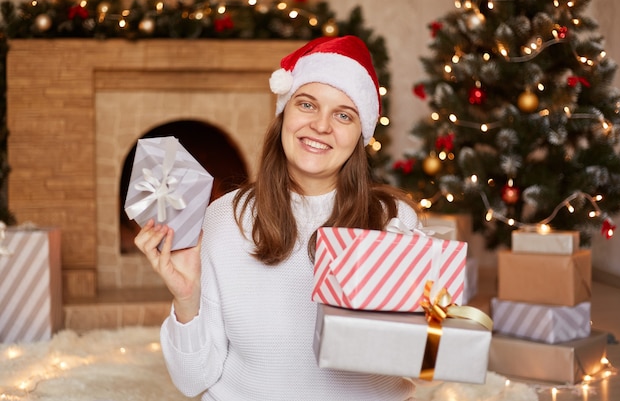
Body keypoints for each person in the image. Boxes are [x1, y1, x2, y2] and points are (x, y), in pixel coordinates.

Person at [134, 35, 423, 400]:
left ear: (360, 135)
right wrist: (187, 298)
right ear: (284, 112)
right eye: (307, 104)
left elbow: (417, 362)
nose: (321, 125)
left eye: (343, 114)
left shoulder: (395, 222)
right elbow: (192, 381)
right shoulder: (225, 217)